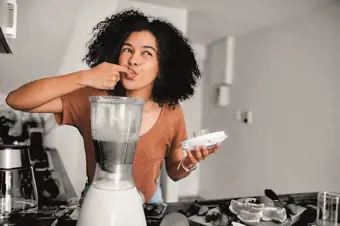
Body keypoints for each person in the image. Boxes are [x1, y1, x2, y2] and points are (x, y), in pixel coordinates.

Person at [6, 9, 220, 204]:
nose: (133, 60)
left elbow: (175, 173)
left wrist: (189, 162)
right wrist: (86, 77)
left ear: (162, 66)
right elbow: (16, 100)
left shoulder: (172, 111)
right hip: (98, 201)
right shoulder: (94, 98)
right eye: (127, 50)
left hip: (149, 205)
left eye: (147, 53)